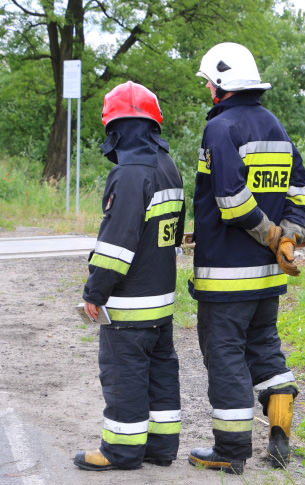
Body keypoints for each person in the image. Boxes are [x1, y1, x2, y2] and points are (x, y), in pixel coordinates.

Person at [187, 42, 305, 474]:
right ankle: (280, 439)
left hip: (226, 277)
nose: (206, 88)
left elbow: (232, 202)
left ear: (221, 85)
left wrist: (273, 235)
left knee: (225, 358)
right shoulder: (277, 128)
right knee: (266, 352)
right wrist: (288, 238)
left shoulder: (221, 130)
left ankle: (230, 451)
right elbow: (299, 193)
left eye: (208, 82)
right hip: (267, 279)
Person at [73, 81, 185, 471]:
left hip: (129, 305)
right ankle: (160, 448)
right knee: (160, 372)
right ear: (153, 126)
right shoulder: (168, 168)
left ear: (115, 128)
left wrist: (95, 291)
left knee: (124, 376)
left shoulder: (129, 174)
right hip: (161, 300)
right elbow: (173, 237)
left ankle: (120, 451)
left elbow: (116, 246)